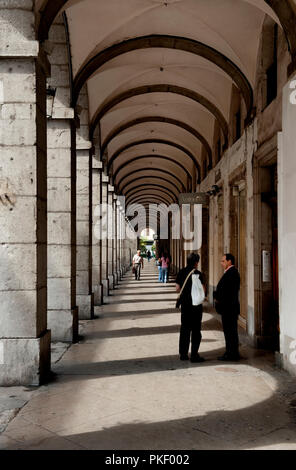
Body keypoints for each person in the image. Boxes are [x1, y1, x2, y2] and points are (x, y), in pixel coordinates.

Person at [175, 253, 206, 363]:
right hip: (196, 307)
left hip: (185, 306)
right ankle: (194, 355)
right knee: (196, 330)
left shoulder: (181, 272)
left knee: (185, 329)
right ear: (196, 262)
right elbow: (203, 290)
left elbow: (177, 288)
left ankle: (183, 354)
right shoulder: (198, 274)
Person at [214, 253, 241, 361]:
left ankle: (231, 354)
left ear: (229, 261)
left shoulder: (232, 273)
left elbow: (229, 292)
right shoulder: (230, 273)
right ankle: (230, 352)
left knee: (230, 332)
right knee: (229, 331)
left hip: (229, 309)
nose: (221, 263)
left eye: (223, 261)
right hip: (228, 308)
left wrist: (217, 296)